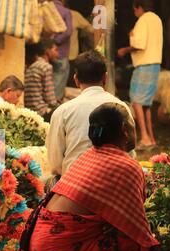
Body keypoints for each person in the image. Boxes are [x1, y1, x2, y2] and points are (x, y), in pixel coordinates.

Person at [21, 103, 169, 251]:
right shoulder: (126, 165)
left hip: (40, 249)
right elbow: (136, 229)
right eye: (133, 125)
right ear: (125, 130)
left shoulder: (87, 156)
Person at [46, 50, 133, 178]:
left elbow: (55, 164)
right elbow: (130, 152)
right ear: (105, 77)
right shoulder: (121, 107)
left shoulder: (63, 111)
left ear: (76, 79)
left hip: (74, 183)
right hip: (115, 180)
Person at [117, 0, 163, 150]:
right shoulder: (156, 18)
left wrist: (126, 46)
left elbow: (139, 44)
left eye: (134, 10)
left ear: (139, 7)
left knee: (136, 102)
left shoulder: (143, 20)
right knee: (145, 105)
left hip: (144, 65)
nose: (134, 13)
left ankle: (144, 138)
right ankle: (151, 138)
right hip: (155, 63)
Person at [24, 39, 60, 120]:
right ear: (47, 51)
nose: (58, 54)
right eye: (55, 50)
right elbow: (51, 100)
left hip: (30, 111)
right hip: (41, 112)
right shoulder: (45, 67)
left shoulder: (31, 66)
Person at [52, 0, 73, 101]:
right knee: (60, 78)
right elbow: (68, 31)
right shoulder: (66, 12)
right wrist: (57, 41)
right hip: (61, 52)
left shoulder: (44, 10)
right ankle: (55, 104)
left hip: (47, 52)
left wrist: (50, 43)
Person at [68, 10, 94, 87]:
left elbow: (91, 29)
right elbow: (91, 29)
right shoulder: (73, 15)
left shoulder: (74, 15)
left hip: (70, 56)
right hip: (65, 55)